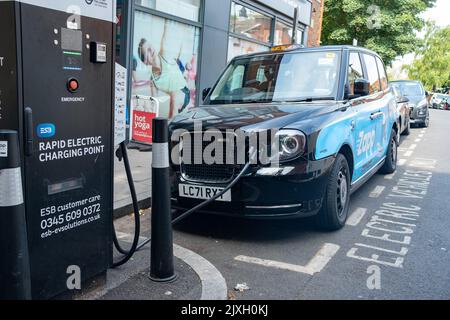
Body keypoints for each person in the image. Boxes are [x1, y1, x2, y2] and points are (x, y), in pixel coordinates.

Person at [137, 20, 189, 118]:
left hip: (185, 96)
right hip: (178, 104)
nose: (151, 49)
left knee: (174, 103)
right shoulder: (153, 80)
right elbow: (154, 104)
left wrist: (167, 22)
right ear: (145, 62)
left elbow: (165, 34)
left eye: (150, 46)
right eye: (147, 51)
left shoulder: (165, 53)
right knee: (172, 106)